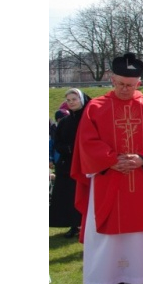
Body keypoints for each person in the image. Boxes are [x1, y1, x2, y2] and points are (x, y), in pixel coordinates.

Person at [72, 53, 143, 284]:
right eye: (120, 84)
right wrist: (111, 160)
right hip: (109, 178)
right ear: (112, 79)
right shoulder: (95, 108)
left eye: (130, 85)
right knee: (108, 230)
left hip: (142, 177)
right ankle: (109, 280)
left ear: (138, 83)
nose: (125, 89)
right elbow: (87, 142)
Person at [50, 88, 91, 238]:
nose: (71, 102)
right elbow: (57, 141)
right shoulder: (65, 121)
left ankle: (85, 225)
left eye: (74, 99)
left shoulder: (89, 118)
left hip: (85, 163)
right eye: (68, 100)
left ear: (81, 100)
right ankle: (73, 225)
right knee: (68, 195)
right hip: (68, 163)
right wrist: (66, 148)